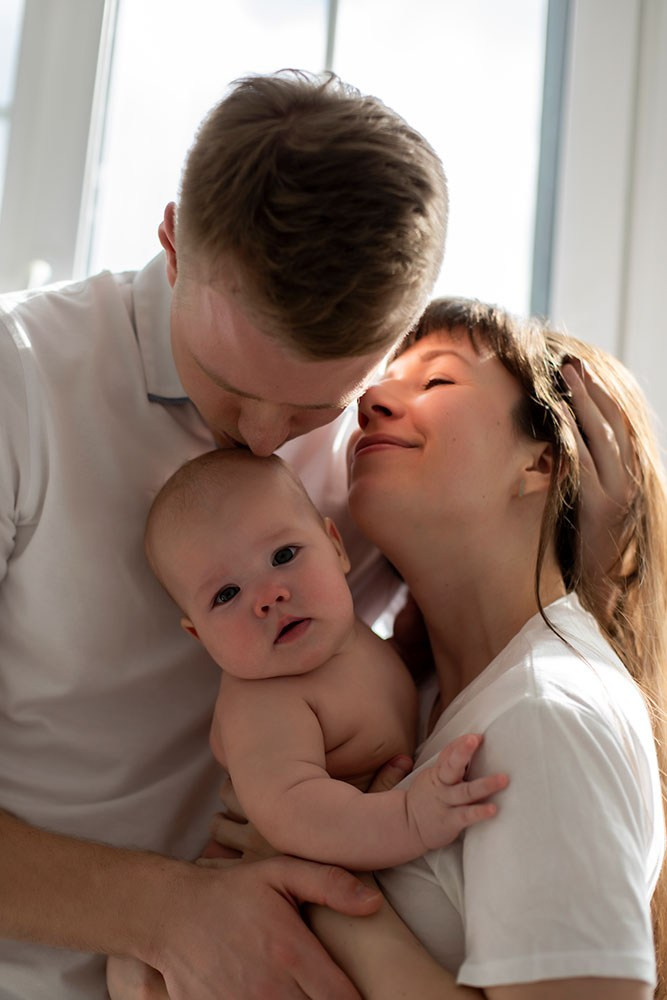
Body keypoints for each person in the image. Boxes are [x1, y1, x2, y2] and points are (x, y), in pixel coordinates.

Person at [0, 69, 448, 1000]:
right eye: (226, 379)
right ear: (170, 240)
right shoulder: (20, 388)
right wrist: (168, 913)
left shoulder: (386, 444)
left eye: (307, 411)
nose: (254, 440)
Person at [298, 297, 666, 999]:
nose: (370, 396)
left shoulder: (548, 717)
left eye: (435, 381)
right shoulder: (425, 703)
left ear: (542, 463)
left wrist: (342, 907)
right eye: (383, 378)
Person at [142, 448, 508, 869]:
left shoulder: (343, 633)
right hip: (286, 885)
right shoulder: (263, 704)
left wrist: (412, 650)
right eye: (226, 595)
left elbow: (372, 691)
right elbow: (295, 812)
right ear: (200, 636)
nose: (268, 596)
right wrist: (410, 818)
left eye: (283, 556)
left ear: (335, 547)